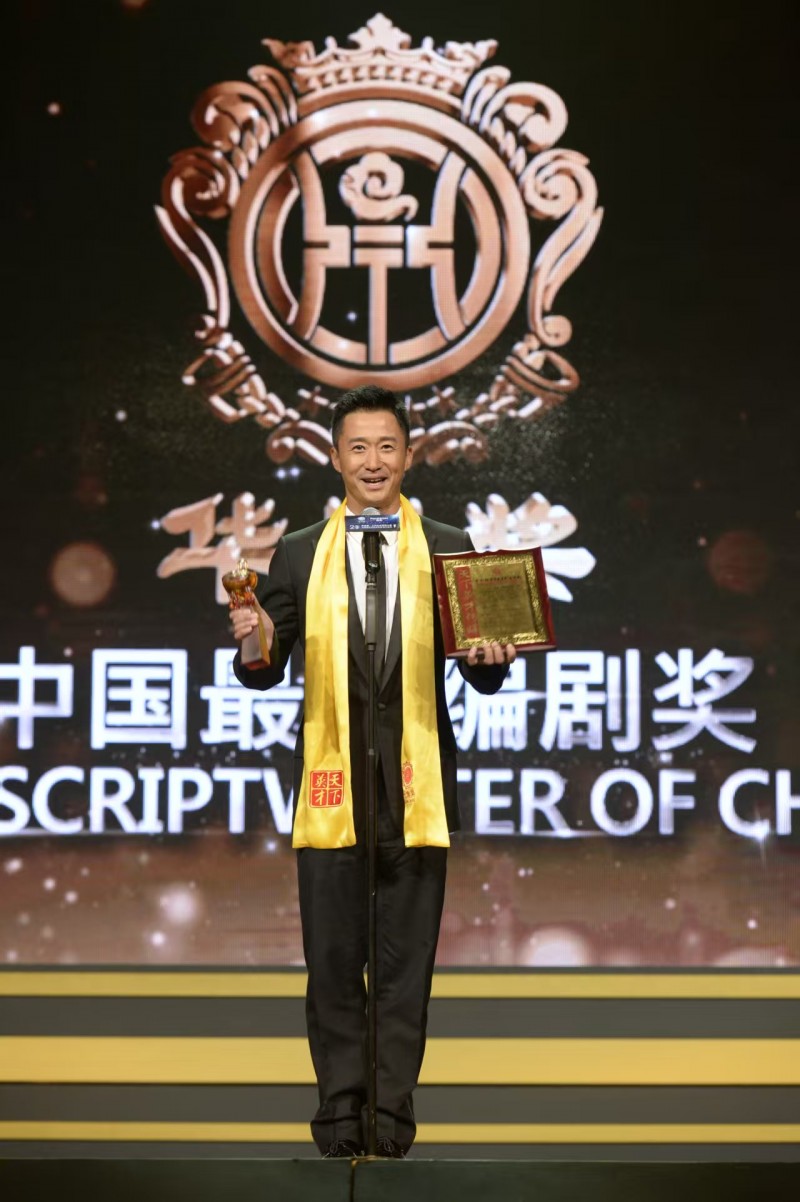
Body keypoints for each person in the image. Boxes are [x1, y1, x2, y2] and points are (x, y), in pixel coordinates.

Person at [232, 384, 515, 1158]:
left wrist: (493, 657)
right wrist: (252, 634)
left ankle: (390, 1126)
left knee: (404, 966)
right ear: (335, 458)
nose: (373, 461)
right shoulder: (298, 551)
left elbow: (484, 671)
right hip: (332, 789)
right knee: (332, 964)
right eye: (358, 447)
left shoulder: (450, 544)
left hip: (416, 789)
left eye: (387, 446)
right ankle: (338, 1121)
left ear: (410, 456)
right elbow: (263, 669)